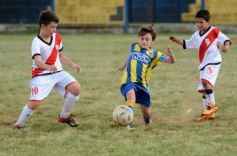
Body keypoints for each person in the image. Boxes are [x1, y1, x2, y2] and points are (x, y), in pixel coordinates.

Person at [13, 10, 81, 129]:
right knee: (34, 104)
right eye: (52, 27)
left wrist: (72, 64)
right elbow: (38, 61)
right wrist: (48, 67)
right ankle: (18, 125)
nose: (54, 30)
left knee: (76, 89)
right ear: (43, 26)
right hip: (41, 75)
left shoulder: (56, 37)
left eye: (55, 27)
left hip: (58, 72)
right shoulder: (36, 42)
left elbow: (60, 54)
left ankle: (64, 116)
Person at [169, 9, 231, 121]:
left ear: (207, 22)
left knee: (205, 82)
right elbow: (186, 44)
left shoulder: (214, 31)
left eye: (201, 22)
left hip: (214, 62)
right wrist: (176, 40)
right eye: (197, 22)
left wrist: (226, 46)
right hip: (203, 64)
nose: (198, 24)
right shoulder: (196, 35)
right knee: (203, 89)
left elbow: (225, 39)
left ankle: (212, 106)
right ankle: (207, 113)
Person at [117, 25, 175, 130]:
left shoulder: (155, 54)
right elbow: (131, 55)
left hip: (143, 84)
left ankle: (147, 119)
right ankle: (129, 121)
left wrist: (171, 55)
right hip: (128, 81)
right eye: (142, 38)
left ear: (152, 41)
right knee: (131, 95)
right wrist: (123, 65)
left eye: (147, 39)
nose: (144, 41)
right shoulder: (134, 46)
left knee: (146, 110)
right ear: (138, 38)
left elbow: (171, 61)